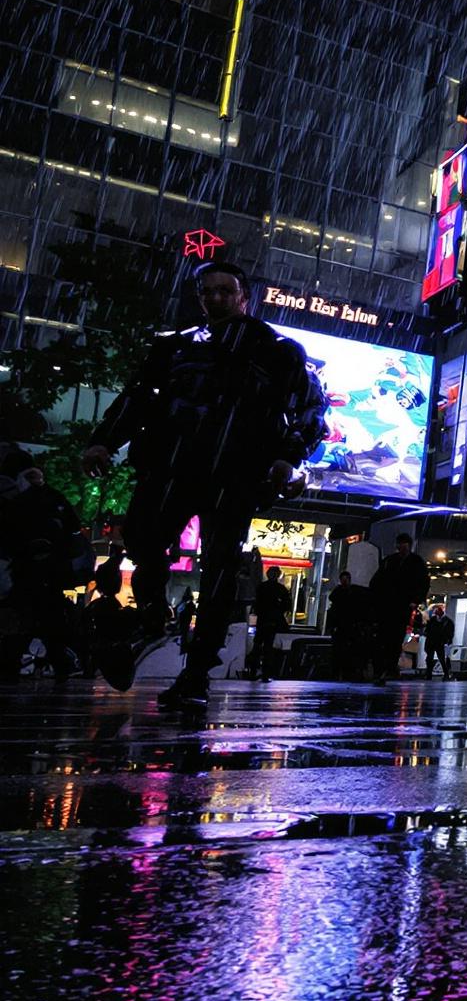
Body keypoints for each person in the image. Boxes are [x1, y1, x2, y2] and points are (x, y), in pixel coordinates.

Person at [79, 262, 324, 708]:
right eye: (207, 291)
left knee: (218, 570)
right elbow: (138, 397)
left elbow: (308, 412)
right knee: (141, 536)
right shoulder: (175, 348)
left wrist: (287, 459)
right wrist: (103, 442)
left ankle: (195, 674)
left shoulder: (277, 350)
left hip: (235, 474)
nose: (215, 298)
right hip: (171, 467)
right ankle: (153, 620)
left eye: (224, 291)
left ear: (243, 296)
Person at [0, 444, 87, 681]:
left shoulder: (31, 500)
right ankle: (56, 663)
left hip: (31, 576)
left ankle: (19, 663)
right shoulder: (45, 499)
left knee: (30, 622)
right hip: (34, 575)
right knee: (41, 622)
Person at [372, 532, 429, 684]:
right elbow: (377, 581)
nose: (401, 548)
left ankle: (387, 667)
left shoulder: (410, 562)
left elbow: (423, 583)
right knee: (388, 637)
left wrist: (415, 601)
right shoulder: (393, 561)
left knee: (393, 637)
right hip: (392, 603)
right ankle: (385, 667)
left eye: (403, 546)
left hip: (399, 604)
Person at [325, 573, 373, 681]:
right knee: (342, 649)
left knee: (346, 649)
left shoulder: (348, 593)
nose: (344, 582)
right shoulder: (343, 593)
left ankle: (345, 671)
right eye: (343, 580)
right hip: (344, 626)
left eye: (346, 580)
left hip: (348, 626)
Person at [249, 570, 291, 682]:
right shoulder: (280, 589)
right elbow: (287, 604)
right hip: (273, 621)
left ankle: (252, 671)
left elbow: (255, 603)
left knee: (257, 645)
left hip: (262, 620)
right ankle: (265, 674)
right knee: (268, 647)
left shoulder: (261, 587)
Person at [423, 603, 453, 678]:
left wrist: (448, 640)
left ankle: (445, 674)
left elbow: (450, 632)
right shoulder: (435, 620)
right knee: (430, 658)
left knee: (441, 659)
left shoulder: (447, 621)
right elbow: (427, 629)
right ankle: (429, 674)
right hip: (432, 641)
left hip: (439, 641)